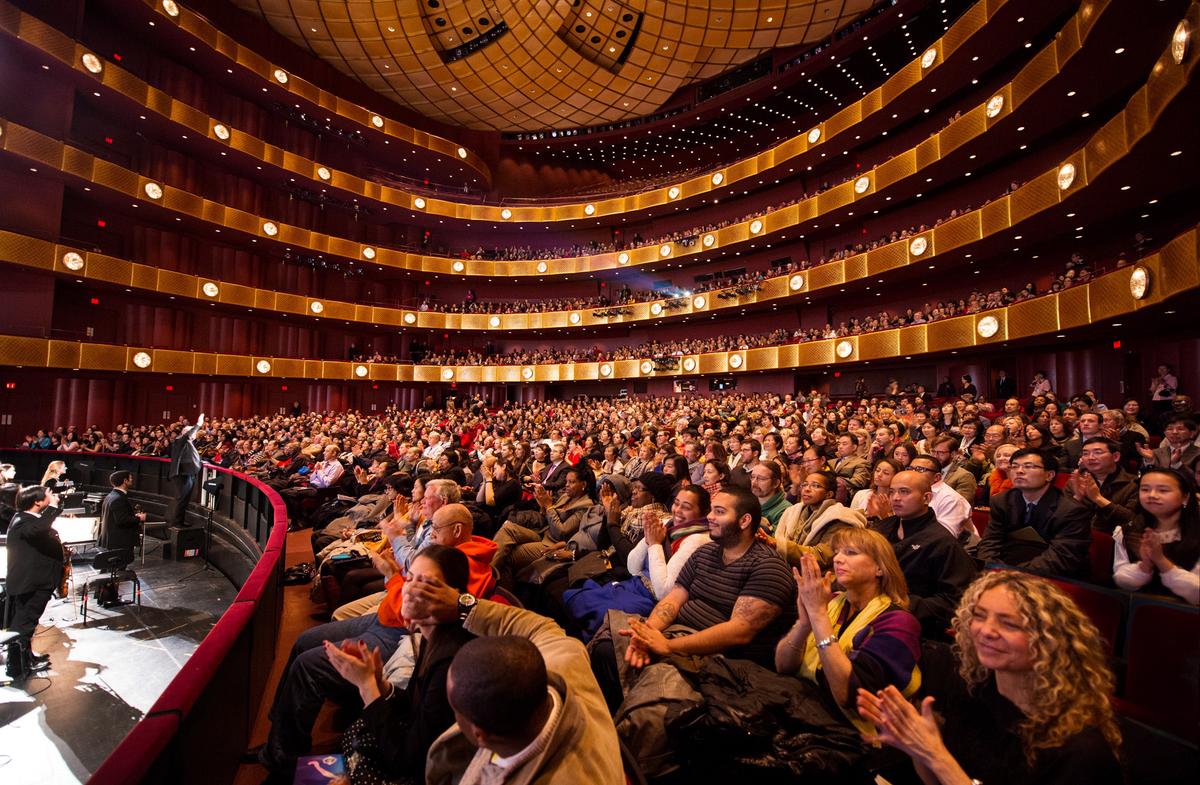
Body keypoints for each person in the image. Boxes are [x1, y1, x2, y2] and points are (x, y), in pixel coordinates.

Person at [858, 571, 1122, 785]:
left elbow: (945, 767)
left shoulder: (1081, 750)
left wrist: (935, 755)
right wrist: (918, 749)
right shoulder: (973, 691)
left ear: (1049, 641)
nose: (986, 631)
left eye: (1009, 624)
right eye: (980, 616)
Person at [592, 485, 797, 710]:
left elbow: (739, 632)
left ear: (744, 521)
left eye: (719, 511)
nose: (709, 516)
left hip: (720, 661)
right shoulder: (706, 553)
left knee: (654, 698)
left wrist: (669, 646)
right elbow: (673, 599)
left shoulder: (768, 567)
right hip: (677, 637)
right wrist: (648, 633)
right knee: (606, 649)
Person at [401, 593, 624, 785]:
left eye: (454, 710)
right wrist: (462, 605)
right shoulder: (567, 663)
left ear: (480, 735)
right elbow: (541, 627)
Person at [325, 546, 477, 785]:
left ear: (452, 596)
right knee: (357, 729)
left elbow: (407, 760)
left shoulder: (450, 661)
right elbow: (416, 704)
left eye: (426, 583)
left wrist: (367, 687)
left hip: (427, 773)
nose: (409, 589)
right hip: (411, 752)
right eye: (411, 578)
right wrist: (380, 683)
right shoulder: (431, 637)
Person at [775, 528, 921, 735]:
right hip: (801, 707)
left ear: (879, 568)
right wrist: (805, 624)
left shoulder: (899, 622)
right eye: (837, 552)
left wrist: (818, 615)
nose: (838, 559)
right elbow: (782, 666)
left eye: (850, 553)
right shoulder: (832, 601)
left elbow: (848, 695)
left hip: (850, 734)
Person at [870, 470, 977, 638]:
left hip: (911, 624)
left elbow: (955, 600)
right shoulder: (882, 529)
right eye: (892, 492)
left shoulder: (942, 542)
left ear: (926, 498)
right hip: (869, 609)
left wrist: (900, 604)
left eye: (904, 491)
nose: (895, 498)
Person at [978, 449, 1092, 578]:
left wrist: (1014, 575)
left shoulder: (1071, 510)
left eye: (1028, 466)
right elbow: (991, 540)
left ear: (1049, 475)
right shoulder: (1001, 500)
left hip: (1053, 576)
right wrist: (991, 568)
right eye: (1014, 466)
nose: (1019, 471)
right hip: (1005, 568)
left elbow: (1061, 557)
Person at [1113, 468, 1199, 604]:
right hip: (1139, 608)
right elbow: (1120, 580)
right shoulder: (1129, 529)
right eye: (1145, 489)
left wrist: (1160, 560)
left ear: (1185, 497)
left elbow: (1197, 594)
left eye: (1163, 490)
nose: (1152, 495)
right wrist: (1145, 565)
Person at [4, 485, 62, 680]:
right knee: (23, 624)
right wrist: (53, 508)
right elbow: (35, 531)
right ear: (38, 502)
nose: (53, 496)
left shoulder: (26, 519)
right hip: (32, 583)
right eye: (49, 495)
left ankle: (26, 657)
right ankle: (16, 666)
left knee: (28, 623)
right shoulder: (24, 521)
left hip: (34, 581)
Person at [770, 471, 867, 570]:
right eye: (805, 484)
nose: (807, 489)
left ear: (829, 494)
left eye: (815, 486)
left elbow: (821, 556)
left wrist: (778, 544)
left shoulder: (839, 518)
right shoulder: (793, 511)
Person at [1068, 437, 1139, 531]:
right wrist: (1077, 498)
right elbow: (1062, 517)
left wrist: (1098, 499)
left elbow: (1133, 521)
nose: (1090, 458)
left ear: (1115, 457)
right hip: (1077, 536)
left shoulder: (1133, 484)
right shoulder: (1077, 481)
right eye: (1085, 453)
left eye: (1097, 452)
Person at [168, 413, 205, 527]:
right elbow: (188, 434)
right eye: (193, 432)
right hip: (181, 474)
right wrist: (198, 424)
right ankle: (176, 523)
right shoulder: (180, 440)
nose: (194, 434)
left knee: (185, 500)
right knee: (181, 499)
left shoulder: (188, 443)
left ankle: (180, 522)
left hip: (188, 474)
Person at [98, 470, 147, 552]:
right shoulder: (118, 498)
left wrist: (134, 516)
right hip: (119, 542)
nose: (132, 480)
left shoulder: (111, 496)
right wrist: (139, 518)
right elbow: (121, 520)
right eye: (130, 478)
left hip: (113, 541)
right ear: (125, 481)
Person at [749, 460, 791, 533]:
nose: (754, 482)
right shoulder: (747, 502)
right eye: (752, 477)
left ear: (776, 483)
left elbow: (776, 541)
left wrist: (766, 528)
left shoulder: (786, 510)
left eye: (761, 478)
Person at [831, 433, 872, 503]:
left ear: (854, 447)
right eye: (839, 444)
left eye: (844, 444)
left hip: (847, 496)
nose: (840, 447)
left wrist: (834, 481)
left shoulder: (861, 462)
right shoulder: (830, 462)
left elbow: (859, 481)